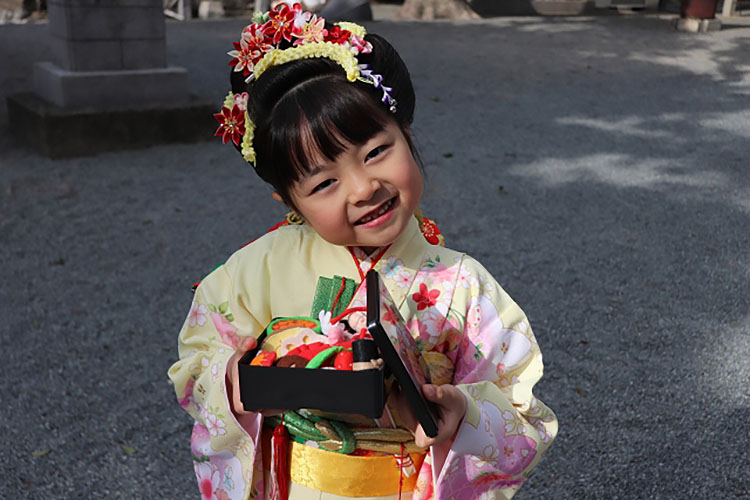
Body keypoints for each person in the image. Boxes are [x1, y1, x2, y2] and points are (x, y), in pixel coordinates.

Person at [168, 4, 557, 499]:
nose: (362, 188)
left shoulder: (462, 282)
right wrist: (235, 383)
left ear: (406, 132)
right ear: (290, 201)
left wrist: (464, 411)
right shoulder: (256, 270)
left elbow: (523, 411)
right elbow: (197, 363)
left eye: (376, 151)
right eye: (325, 182)